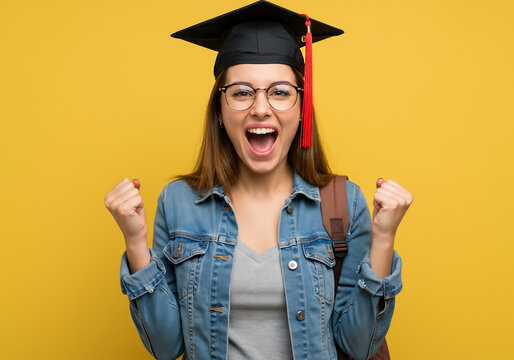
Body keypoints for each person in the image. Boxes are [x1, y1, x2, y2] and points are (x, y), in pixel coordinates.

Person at [104, 1, 413, 359]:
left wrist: (385, 238)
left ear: (301, 109)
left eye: (281, 92)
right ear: (220, 112)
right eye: (241, 92)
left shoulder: (344, 203)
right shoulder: (178, 202)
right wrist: (135, 240)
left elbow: (358, 346)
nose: (261, 108)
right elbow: (165, 346)